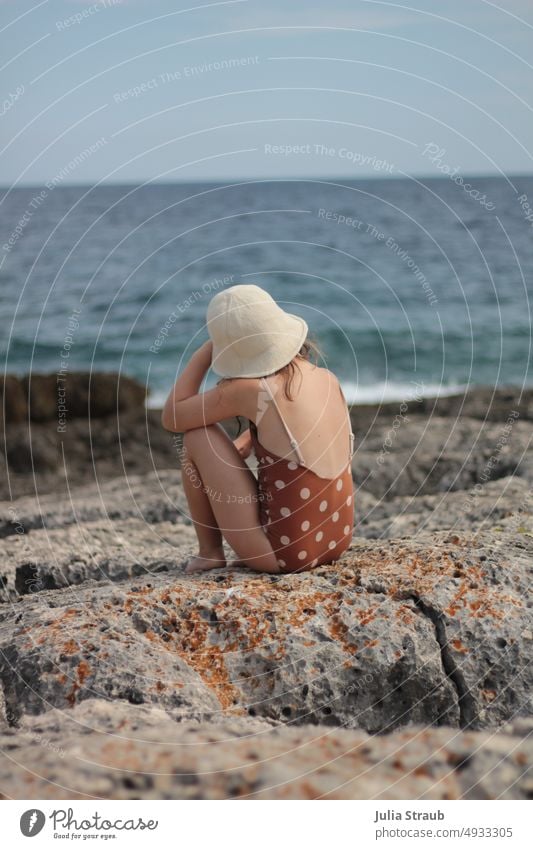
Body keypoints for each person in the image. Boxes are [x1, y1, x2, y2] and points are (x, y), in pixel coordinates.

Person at [161, 284, 355, 575]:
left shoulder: (253, 391)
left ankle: (209, 553)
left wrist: (205, 351)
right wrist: (250, 437)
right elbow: (297, 433)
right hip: (338, 540)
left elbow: (173, 416)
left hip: (284, 555)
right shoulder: (327, 378)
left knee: (197, 437)